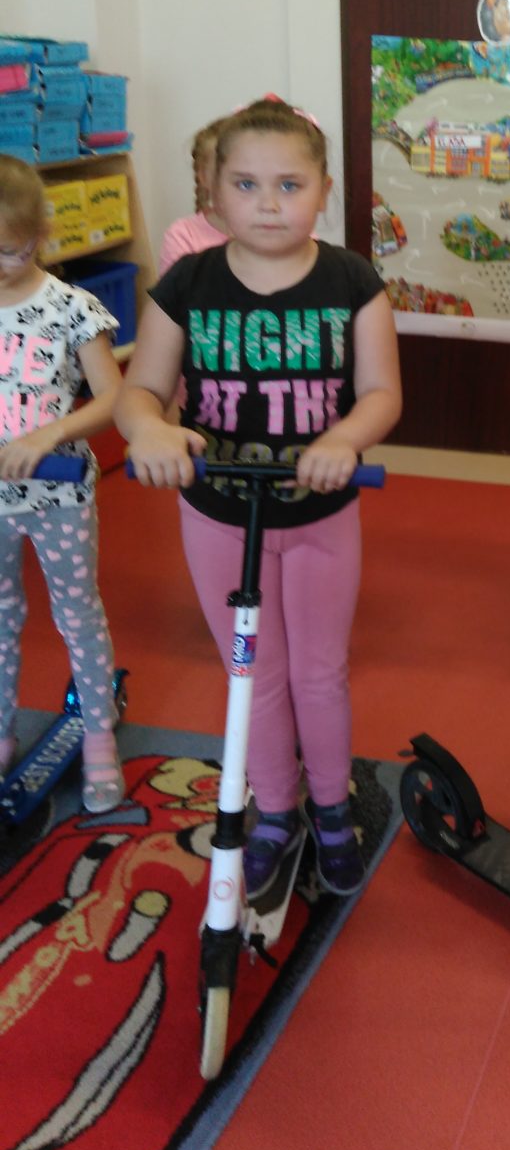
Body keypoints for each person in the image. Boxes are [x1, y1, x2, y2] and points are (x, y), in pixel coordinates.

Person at [117, 100, 402, 897]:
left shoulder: (352, 280)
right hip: (217, 515)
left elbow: (382, 392)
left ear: (323, 191)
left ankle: (333, 806)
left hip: (319, 516)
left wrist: (345, 439)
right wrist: (150, 430)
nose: (268, 203)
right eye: (246, 184)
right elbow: (140, 389)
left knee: (320, 672)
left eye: (289, 184)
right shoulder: (189, 281)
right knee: (255, 673)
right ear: (213, 193)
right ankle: (275, 808)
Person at [0, 156, 125, 811]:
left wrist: (49, 436)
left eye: (12, 249)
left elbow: (115, 399)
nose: (1, 264)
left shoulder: (71, 308)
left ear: (41, 234)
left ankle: (98, 735)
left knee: (76, 612)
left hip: (58, 495)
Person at [158, 117, 229, 275]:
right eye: (221, 173)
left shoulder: (269, 232)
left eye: (247, 180)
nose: (232, 186)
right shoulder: (182, 236)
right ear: (203, 176)